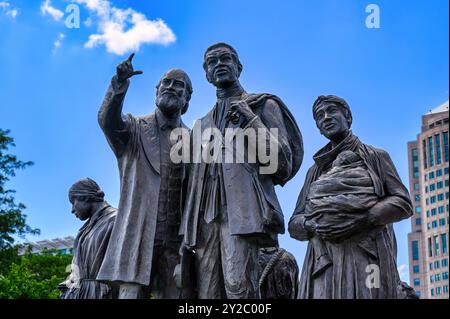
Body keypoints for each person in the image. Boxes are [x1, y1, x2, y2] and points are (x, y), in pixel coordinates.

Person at [180, 42, 303, 298]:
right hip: (204, 219)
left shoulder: (262, 105)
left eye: (226, 59)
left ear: (239, 67)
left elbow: (282, 162)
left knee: (239, 288)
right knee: (207, 294)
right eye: (212, 62)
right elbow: (190, 181)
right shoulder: (201, 125)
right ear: (206, 74)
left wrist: (251, 120)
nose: (219, 64)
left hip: (242, 211)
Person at [288, 95, 413, 299]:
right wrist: (313, 226)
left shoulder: (376, 157)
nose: (326, 118)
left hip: (366, 255)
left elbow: (403, 202)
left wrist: (362, 220)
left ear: (348, 117)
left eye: (332, 111)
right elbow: (295, 222)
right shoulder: (315, 171)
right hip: (324, 261)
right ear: (318, 127)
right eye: (320, 116)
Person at [96, 53, 192, 299]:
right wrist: (119, 84)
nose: (171, 88)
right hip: (138, 234)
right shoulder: (134, 128)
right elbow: (108, 122)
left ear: (186, 99)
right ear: (156, 90)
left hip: (177, 243)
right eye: (166, 83)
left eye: (178, 85)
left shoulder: (194, 141)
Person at [62, 178, 117, 299]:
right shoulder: (83, 231)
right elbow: (75, 272)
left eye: (73, 202)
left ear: (84, 197)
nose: (72, 210)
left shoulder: (116, 220)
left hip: (104, 294)